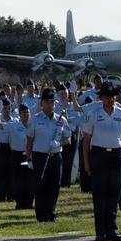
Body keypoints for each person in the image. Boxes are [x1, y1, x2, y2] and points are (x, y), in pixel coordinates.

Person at [81, 81, 121, 241]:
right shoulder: (94, 114)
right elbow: (86, 141)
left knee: (114, 194)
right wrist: (87, 162)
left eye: (113, 96)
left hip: (117, 157)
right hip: (99, 156)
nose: (111, 99)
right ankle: (100, 231)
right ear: (101, 97)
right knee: (100, 195)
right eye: (107, 96)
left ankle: (112, 230)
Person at [26, 87, 72, 222]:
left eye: (51, 102)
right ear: (41, 103)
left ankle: (50, 213)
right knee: (40, 186)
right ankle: (41, 215)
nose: (49, 105)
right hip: (39, 156)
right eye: (46, 102)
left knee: (54, 186)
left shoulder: (60, 120)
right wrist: (28, 158)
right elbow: (29, 140)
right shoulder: (34, 119)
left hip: (55, 157)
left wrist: (59, 143)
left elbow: (68, 138)